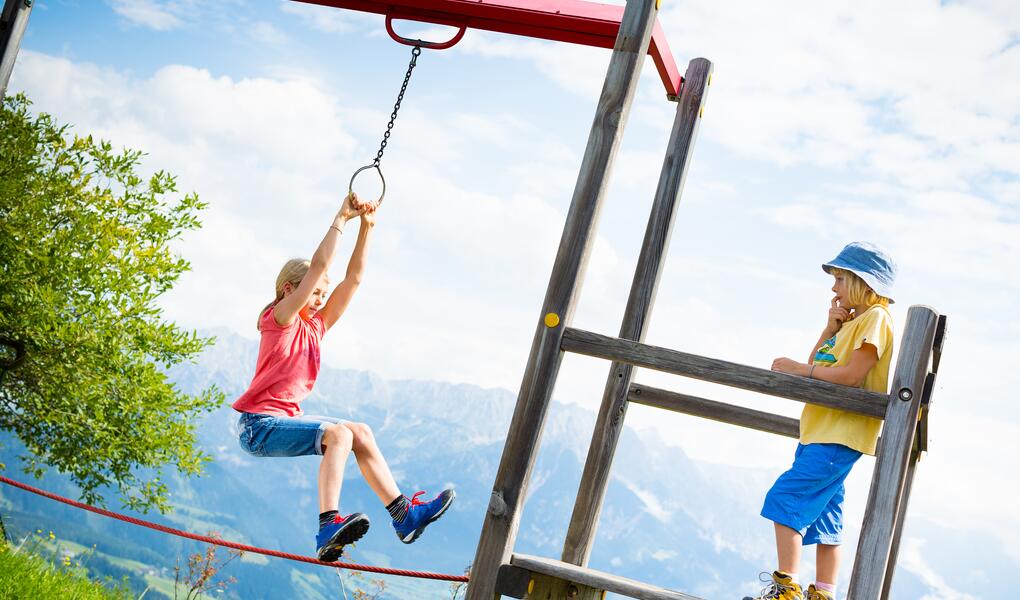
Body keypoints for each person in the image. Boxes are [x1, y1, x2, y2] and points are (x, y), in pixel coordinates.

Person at [232, 193, 455, 562]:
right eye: (314, 292)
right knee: (340, 434)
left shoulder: (315, 327)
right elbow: (320, 264)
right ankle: (327, 526)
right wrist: (342, 217)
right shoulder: (280, 320)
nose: (319, 299)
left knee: (361, 432)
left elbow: (352, 279)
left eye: (322, 293)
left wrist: (367, 228)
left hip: (282, 420)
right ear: (290, 290)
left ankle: (404, 517)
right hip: (257, 426)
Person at [745, 242, 897, 600]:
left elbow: (851, 376)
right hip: (823, 432)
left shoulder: (876, 319)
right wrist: (829, 329)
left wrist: (803, 369)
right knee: (827, 515)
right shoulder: (853, 322)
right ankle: (823, 593)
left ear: (863, 281)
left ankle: (786, 590)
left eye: (840, 279)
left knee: (786, 497)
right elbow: (819, 363)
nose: (834, 288)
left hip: (838, 433)